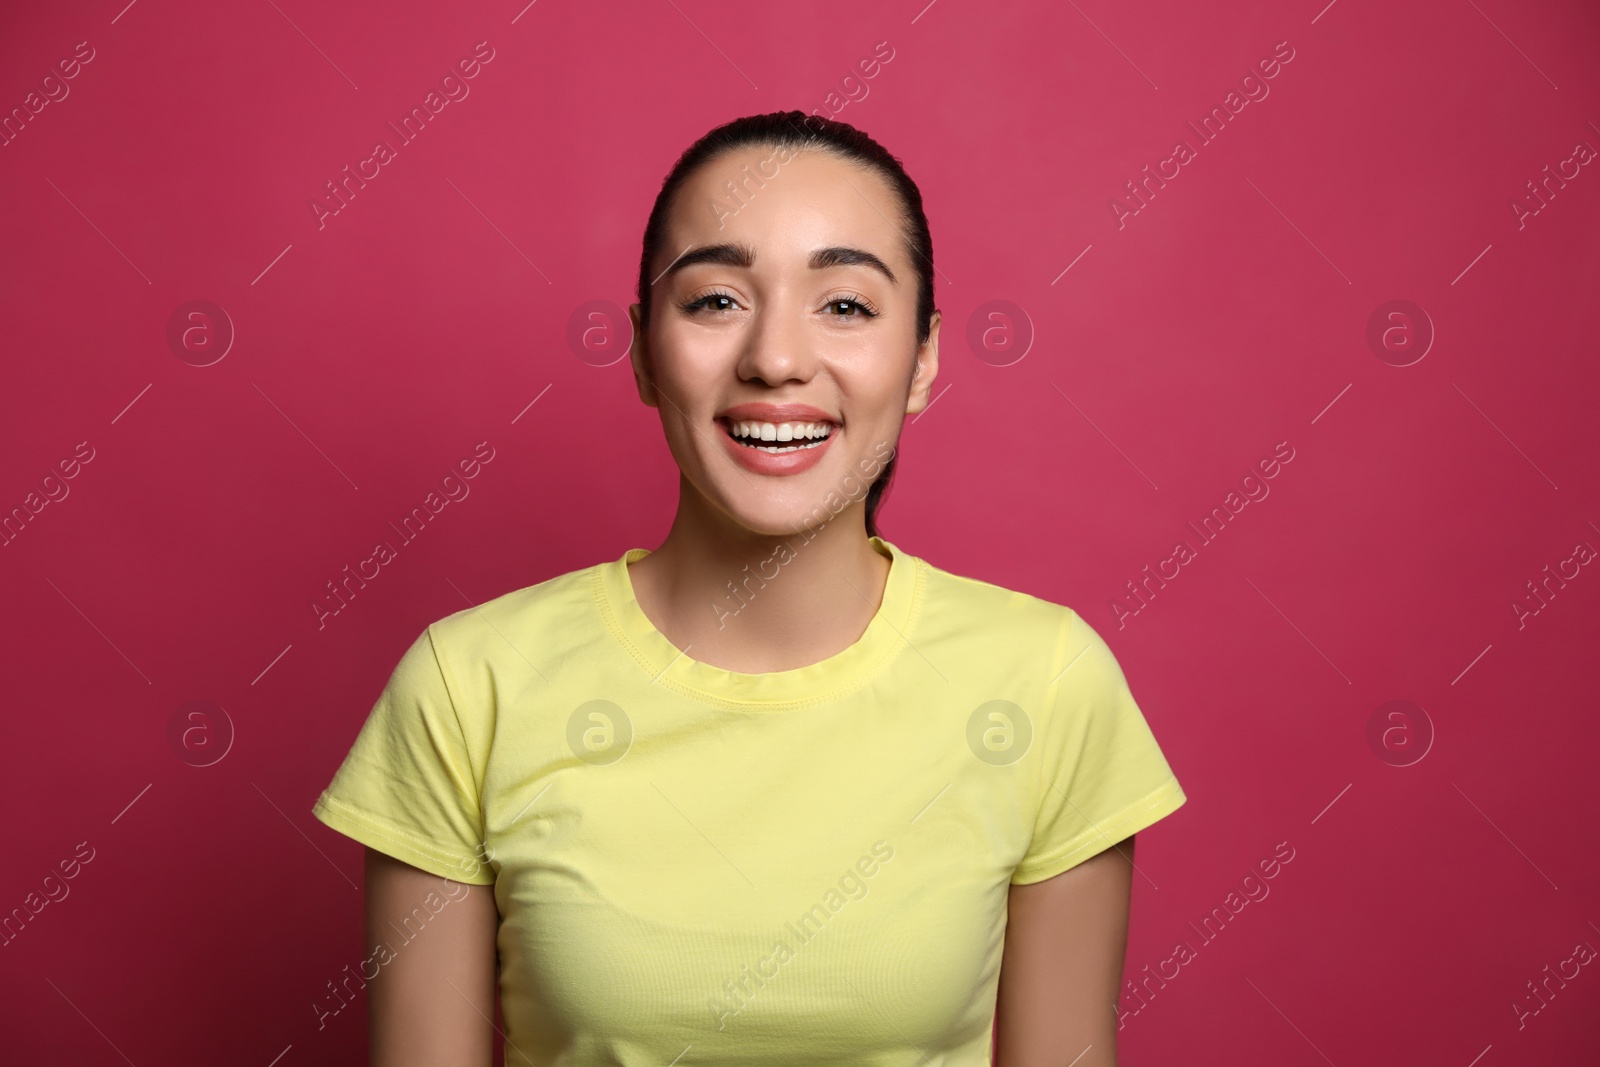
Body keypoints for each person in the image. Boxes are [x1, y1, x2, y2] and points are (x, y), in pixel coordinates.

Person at [312, 110, 1186, 1066]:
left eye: (845, 304)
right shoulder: (467, 685)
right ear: (644, 351)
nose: (775, 358)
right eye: (716, 301)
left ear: (925, 358)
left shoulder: (1046, 682)